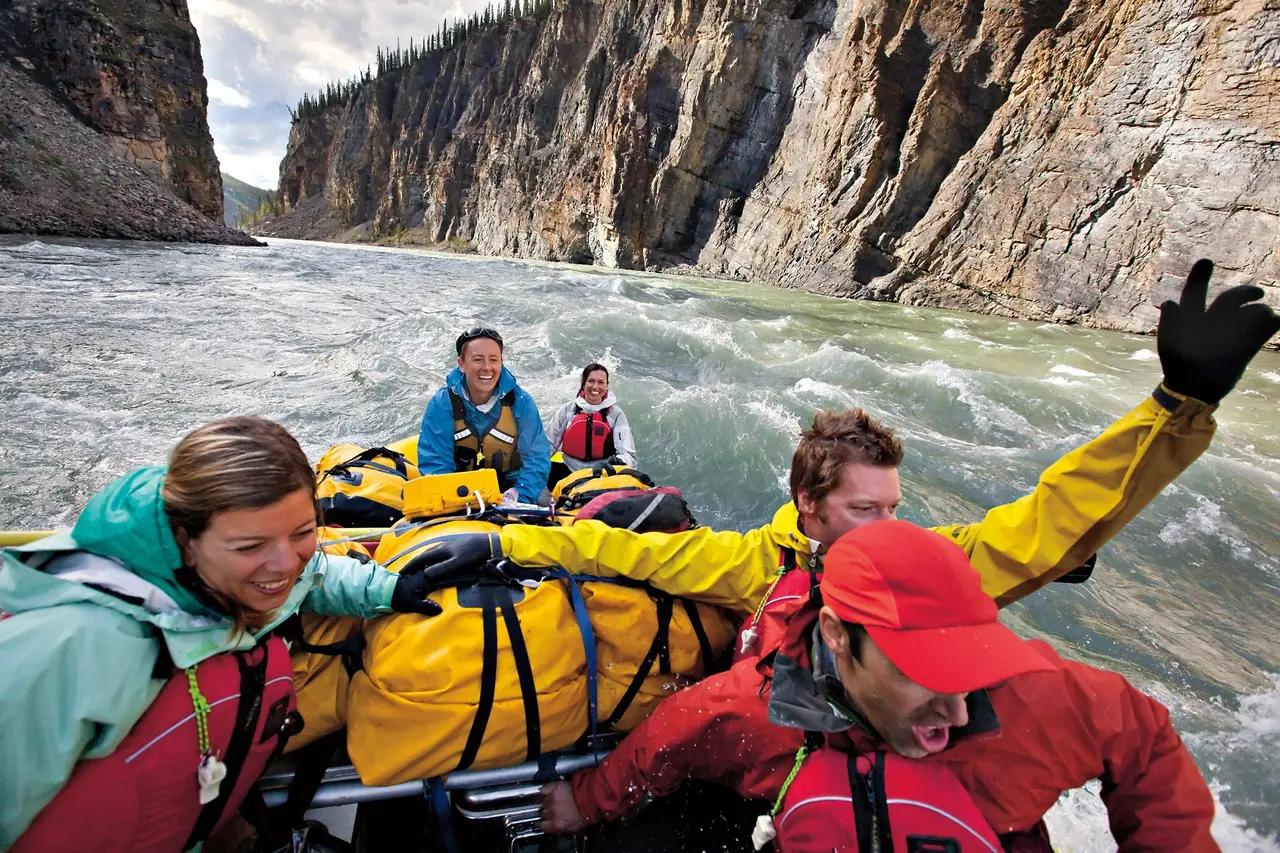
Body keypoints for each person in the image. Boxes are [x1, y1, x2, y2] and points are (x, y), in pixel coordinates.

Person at [399, 259, 1280, 644]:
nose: (888, 527)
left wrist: (1177, 405)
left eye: (893, 508)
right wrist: (503, 539)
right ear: (811, 509)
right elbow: (615, 546)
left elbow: (1051, 517)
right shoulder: (752, 561)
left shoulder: (926, 564)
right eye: (867, 510)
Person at [538, 520, 1216, 850]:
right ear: (837, 636)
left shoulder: (1035, 698)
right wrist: (583, 800)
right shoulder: (752, 707)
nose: (953, 711)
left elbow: (1145, 733)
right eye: (925, 675)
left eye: (968, 674)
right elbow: (670, 736)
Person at [0, 416, 443, 849]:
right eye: (251, 546)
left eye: (303, 532)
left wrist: (390, 587)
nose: (286, 563)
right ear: (185, 540)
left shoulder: (235, 572)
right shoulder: (68, 647)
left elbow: (316, 572)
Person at [417, 326, 552, 503]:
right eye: (478, 360)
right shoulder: (442, 404)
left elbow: (537, 458)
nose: (487, 367)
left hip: (513, 486)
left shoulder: (521, 402)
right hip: (459, 488)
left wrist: (521, 495)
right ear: (461, 364)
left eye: (494, 360)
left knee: (543, 501)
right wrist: (455, 500)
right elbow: (435, 462)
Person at [545, 362, 639, 486]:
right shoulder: (568, 410)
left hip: (601, 474)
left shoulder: (616, 414)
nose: (595, 386)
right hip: (568, 471)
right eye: (591, 381)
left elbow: (629, 455)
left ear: (606, 386)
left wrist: (617, 463)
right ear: (583, 383)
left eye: (601, 382)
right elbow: (548, 445)